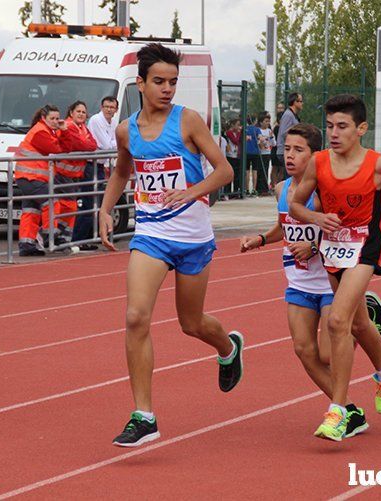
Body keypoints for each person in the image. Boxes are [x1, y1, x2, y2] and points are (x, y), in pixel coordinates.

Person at [99, 43, 242, 448]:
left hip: (194, 238)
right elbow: (122, 172)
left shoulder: (188, 122)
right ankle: (144, 415)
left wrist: (192, 190)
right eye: (159, 81)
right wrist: (106, 210)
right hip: (152, 235)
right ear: (140, 83)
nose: (167, 89)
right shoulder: (126, 129)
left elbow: (226, 170)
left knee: (191, 323)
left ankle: (228, 346)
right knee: (134, 317)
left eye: (173, 82)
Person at [240, 123, 381, 439]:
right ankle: (349, 410)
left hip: (329, 280)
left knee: (329, 352)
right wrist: (259, 239)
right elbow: (283, 228)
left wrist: (312, 246)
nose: (290, 156)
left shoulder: (325, 189)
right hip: (298, 282)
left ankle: (360, 310)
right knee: (304, 351)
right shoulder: (282, 189)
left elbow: (342, 229)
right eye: (287, 149)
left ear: (315, 157)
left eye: (298, 150)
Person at [289, 94, 381, 441]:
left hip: (366, 248)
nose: (334, 133)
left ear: (361, 129)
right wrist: (317, 217)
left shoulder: (380, 165)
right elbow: (296, 204)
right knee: (360, 323)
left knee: (338, 321)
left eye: (342, 126)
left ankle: (338, 410)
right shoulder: (318, 163)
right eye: (330, 126)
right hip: (333, 250)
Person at [14, 104, 68, 256]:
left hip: (29, 177)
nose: (56, 121)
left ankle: (26, 244)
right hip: (31, 177)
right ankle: (50, 236)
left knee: (31, 210)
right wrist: (62, 131)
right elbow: (56, 149)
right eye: (52, 118)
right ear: (44, 118)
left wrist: (59, 132)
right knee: (51, 202)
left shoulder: (45, 130)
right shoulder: (40, 131)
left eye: (58, 118)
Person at [73, 96, 119, 250]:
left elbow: (113, 144)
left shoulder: (113, 122)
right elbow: (108, 145)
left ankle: (86, 238)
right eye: (106, 106)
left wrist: (111, 144)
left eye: (112, 107)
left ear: (116, 109)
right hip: (91, 165)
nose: (109, 109)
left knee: (96, 203)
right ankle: (78, 239)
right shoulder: (96, 120)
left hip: (100, 166)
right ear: (101, 107)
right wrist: (112, 144)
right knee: (88, 202)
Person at [56, 100, 98, 244]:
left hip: (74, 175)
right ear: (71, 113)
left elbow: (93, 145)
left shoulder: (83, 128)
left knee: (71, 207)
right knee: (67, 207)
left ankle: (62, 238)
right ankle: (54, 237)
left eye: (83, 112)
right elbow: (79, 144)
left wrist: (85, 144)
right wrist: (84, 143)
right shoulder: (69, 126)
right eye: (78, 111)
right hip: (62, 173)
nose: (81, 114)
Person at [275, 92, 303, 176]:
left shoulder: (292, 115)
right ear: (295, 102)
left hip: (288, 150)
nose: (302, 103)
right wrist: (298, 129)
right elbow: (284, 133)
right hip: (284, 150)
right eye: (301, 101)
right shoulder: (288, 115)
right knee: (291, 176)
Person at [245, 117, 264, 196]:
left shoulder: (245, 129)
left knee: (247, 171)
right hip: (255, 152)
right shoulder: (257, 130)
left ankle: (246, 189)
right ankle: (254, 189)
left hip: (246, 151)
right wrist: (261, 146)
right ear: (255, 121)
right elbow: (261, 140)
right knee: (254, 171)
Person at [257, 111, 276, 193]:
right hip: (259, 153)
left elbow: (274, 144)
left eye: (268, 121)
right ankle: (258, 188)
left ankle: (264, 188)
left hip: (267, 153)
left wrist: (271, 137)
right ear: (261, 122)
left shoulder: (269, 131)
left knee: (265, 170)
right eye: (266, 121)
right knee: (259, 171)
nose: (268, 123)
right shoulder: (258, 130)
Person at [225, 119, 242, 196]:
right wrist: (239, 133)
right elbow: (235, 141)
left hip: (236, 155)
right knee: (230, 174)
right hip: (230, 156)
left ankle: (235, 191)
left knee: (237, 175)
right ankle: (227, 192)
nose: (239, 127)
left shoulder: (238, 133)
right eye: (237, 125)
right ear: (233, 125)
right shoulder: (229, 133)